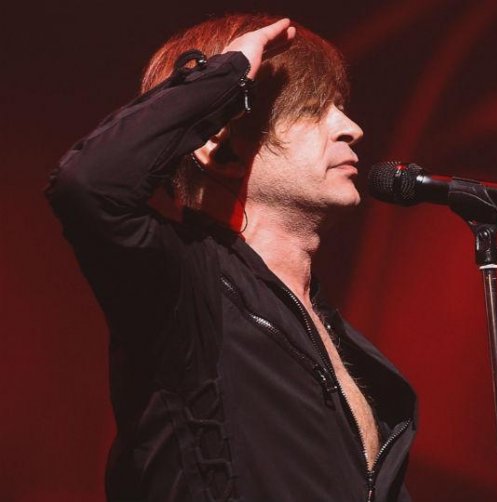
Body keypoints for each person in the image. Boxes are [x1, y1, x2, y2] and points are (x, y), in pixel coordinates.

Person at [47, 13, 416, 502]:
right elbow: (89, 185)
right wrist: (226, 74)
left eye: (341, 108)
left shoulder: (333, 333)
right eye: (313, 108)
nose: (352, 129)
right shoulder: (183, 286)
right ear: (221, 147)